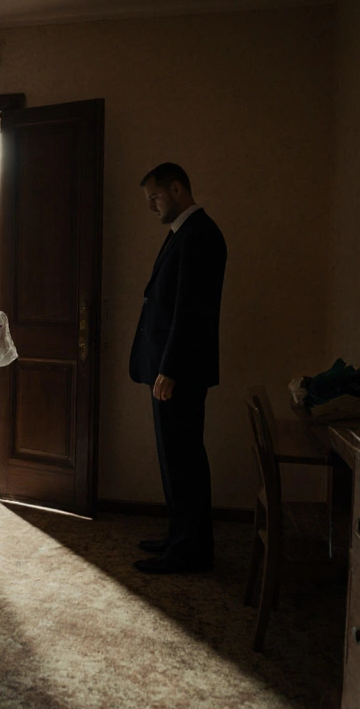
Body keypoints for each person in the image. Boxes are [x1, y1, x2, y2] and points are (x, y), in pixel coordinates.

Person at [130, 162, 227, 574]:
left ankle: (190, 551)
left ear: (176, 188)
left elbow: (192, 311)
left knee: (184, 459)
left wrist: (169, 368)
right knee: (175, 459)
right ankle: (179, 537)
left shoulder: (201, 234)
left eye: (154, 197)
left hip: (178, 372)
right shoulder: (184, 233)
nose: (151, 206)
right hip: (168, 369)